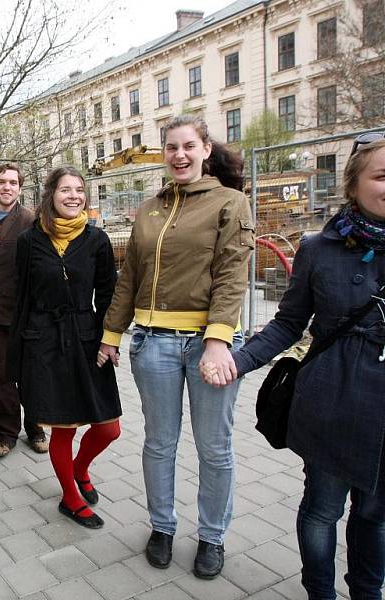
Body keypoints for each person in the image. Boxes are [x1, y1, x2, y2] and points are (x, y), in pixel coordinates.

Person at [208, 135, 385, 599]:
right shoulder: (318, 247)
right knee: (323, 510)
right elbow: (288, 322)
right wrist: (237, 361)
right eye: (382, 176)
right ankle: (319, 593)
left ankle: (368, 592)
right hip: (330, 403)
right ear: (353, 184)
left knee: (375, 513)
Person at [99, 114, 253, 579]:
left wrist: (219, 340)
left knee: (214, 447)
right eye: (171, 147)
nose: (179, 155)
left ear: (206, 149)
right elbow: (129, 277)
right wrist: (111, 334)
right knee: (160, 444)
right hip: (152, 344)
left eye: (188, 146)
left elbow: (231, 275)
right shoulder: (149, 209)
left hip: (211, 346)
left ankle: (212, 536)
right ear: (163, 154)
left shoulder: (231, 203)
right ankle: (162, 526)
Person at [11, 166, 121, 529]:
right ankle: (69, 498)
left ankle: (79, 468)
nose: (73, 196)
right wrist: (19, 353)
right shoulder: (29, 241)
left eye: (79, 190)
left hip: (88, 337)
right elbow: (21, 297)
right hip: (45, 340)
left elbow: (107, 294)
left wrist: (111, 339)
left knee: (108, 428)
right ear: (50, 195)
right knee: (64, 429)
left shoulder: (97, 240)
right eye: (65, 190)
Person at [0, 163, 48, 459]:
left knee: (30, 373)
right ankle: (6, 433)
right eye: (1, 182)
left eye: (12, 183)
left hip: (22, 311)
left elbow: (39, 267)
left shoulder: (29, 220)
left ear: (20, 188)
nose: (7, 187)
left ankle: (35, 428)